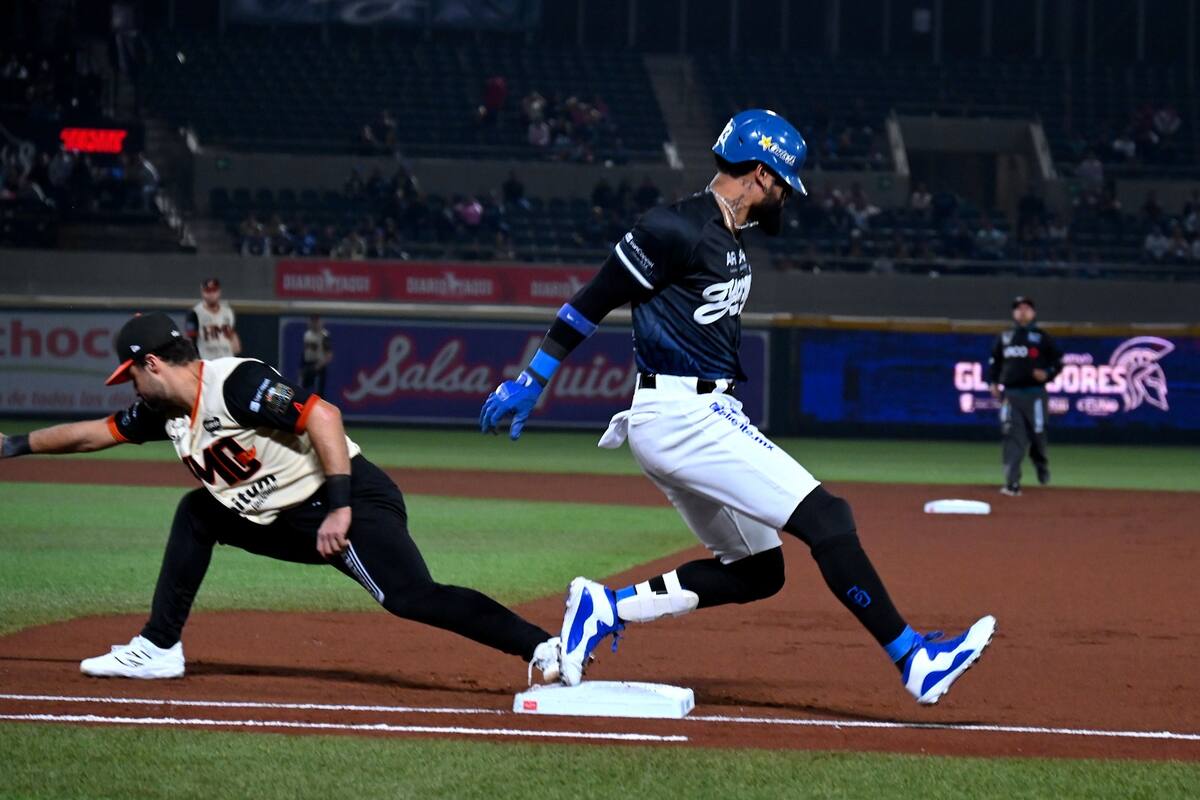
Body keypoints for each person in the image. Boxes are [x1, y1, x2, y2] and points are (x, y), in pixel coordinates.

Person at [479, 109, 996, 705]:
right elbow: (589, 303)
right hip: (682, 416)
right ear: (758, 174)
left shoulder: (725, 235)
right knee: (828, 517)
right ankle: (915, 660)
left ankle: (604, 608)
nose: (785, 197)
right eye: (782, 184)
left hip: (694, 415)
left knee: (759, 572)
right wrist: (532, 377)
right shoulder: (675, 226)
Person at [0, 312, 559, 682]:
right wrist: (15, 445)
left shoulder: (235, 383)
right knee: (197, 513)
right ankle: (159, 647)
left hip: (344, 500)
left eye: (130, 375)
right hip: (282, 518)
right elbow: (98, 432)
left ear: (150, 363)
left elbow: (324, 415)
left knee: (410, 596)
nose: (130, 388)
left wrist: (340, 505)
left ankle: (541, 648)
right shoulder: (163, 410)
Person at [987, 296, 1063, 496]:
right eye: (1019, 308)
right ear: (1014, 313)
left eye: (1027, 308)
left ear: (1033, 313)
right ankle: (1012, 483)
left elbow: (1059, 362)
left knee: (1038, 436)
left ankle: (1040, 463)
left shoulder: (1041, 337)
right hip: (1011, 395)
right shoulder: (1004, 338)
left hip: (1035, 395)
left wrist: (1048, 374)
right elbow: (994, 363)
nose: (1022, 312)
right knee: (1013, 437)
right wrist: (993, 382)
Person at [187, 278, 241, 359]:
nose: (211, 294)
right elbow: (190, 340)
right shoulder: (195, 313)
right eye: (208, 291)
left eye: (214, 290)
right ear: (202, 292)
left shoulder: (227, 312)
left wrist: (236, 350)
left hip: (227, 359)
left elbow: (233, 337)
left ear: (219, 291)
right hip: (207, 360)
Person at [300, 314, 333, 396]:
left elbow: (329, 355)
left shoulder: (324, 335)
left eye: (316, 321)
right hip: (307, 364)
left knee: (318, 393)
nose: (314, 323)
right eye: (312, 321)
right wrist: (302, 366)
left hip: (318, 366)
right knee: (303, 391)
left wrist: (318, 366)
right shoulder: (307, 334)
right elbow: (305, 352)